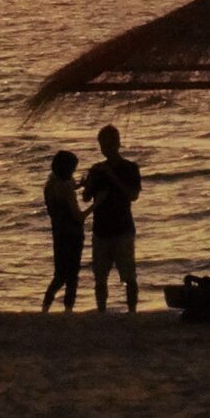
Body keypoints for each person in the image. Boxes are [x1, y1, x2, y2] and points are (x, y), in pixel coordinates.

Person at [81, 124, 142, 312]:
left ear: (117, 144)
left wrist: (113, 177)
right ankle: (101, 311)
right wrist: (88, 184)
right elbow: (86, 197)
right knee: (100, 277)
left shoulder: (130, 168)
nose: (105, 149)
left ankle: (132, 310)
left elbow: (132, 195)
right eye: (102, 145)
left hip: (122, 228)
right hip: (101, 229)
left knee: (128, 275)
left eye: (108, 145)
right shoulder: (96, 169)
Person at [40, 150, 86, 311]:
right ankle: (68, 308)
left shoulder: (50, 184)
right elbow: (79, 216)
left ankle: (46, 304)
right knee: (72, 274)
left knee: (60, 274)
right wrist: (97, 204)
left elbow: (70, 187)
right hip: (73, 234)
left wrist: (80, 185)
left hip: (58, 233)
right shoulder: (65, 186)